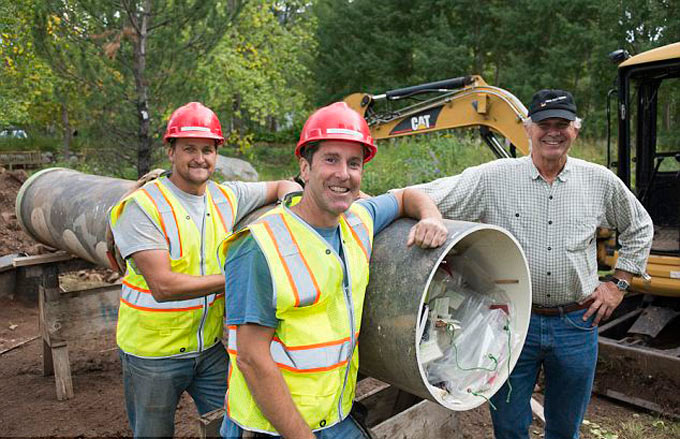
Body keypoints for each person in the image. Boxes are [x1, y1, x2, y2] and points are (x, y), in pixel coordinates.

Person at [406, 90, 653, 439]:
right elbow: (428, 195)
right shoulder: (493, 178)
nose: (553, 132)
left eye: (562, 124)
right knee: (507, 426)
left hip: (577, 322)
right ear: (527, 128)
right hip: (510, 323)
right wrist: (373, 205)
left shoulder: (598, 181)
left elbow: (640, 225)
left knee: (565, 428)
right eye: (544, 124)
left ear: (575, 130)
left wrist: (619, 284)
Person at [218, 102, 448, 439]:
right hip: (272, 426)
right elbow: (252, 359)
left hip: (332, 415)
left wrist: (431, 217)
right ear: (305, 168)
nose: (344, 173)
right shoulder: (260, 246)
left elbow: (405, 196)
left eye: (354, 163)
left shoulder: (357, 221)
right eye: (331, 159)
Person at [108, 102, 301, 438]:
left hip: (209, 348)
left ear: (217, 154)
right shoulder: (143, 206)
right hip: (153, 354)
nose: (200, 158)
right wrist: (238, 281)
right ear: (170, 151)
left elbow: (281, 185)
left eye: (207, 150)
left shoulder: (225, 197)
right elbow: (163, 286)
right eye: (190, 149)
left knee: (237, 423)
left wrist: (294, 210)